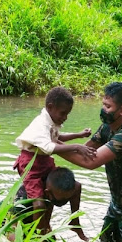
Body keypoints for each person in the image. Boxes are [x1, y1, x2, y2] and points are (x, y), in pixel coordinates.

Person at [60, 82, 122, 242]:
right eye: (103, 104)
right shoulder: (105, 129)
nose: (103, 110)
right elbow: (84, 152)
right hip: (116, 204)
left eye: (108, 106)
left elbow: (91, 162)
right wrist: (53, 143)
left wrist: (52, 146)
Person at [14, 86, 96, 233]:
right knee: (39, 204)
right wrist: (76, 147)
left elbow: (57, 137)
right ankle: (39, 237)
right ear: (50, 107)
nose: (65, 117)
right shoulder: (40, 124)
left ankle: (74, 221)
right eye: (63, 113)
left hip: (44, 162)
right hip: (31, 166)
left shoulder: (51, 122)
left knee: (76, 186)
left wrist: (78, 135)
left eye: (67, 114)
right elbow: (49, 147)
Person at [12, 167, 88, 241]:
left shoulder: (53, 184)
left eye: (68, 198)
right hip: (16, 219)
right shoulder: (23, 199)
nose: (65, 202)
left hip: (41, 215)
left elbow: (77, 186)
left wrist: (75, 220)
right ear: (47, 193)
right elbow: (12, 228)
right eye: (63, 199)